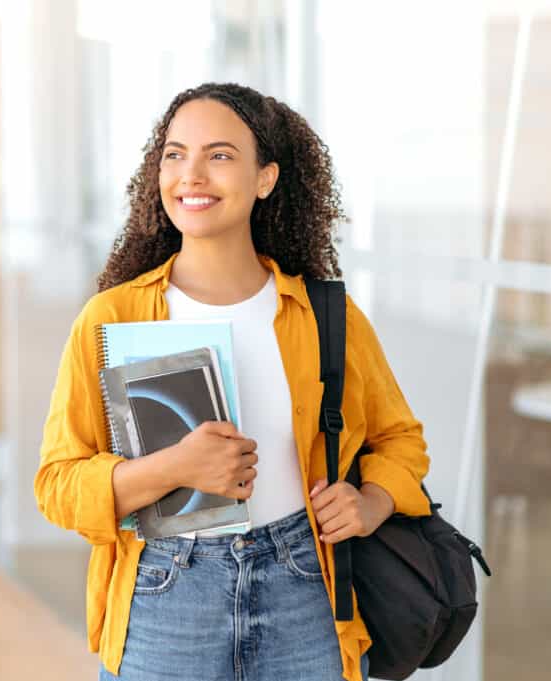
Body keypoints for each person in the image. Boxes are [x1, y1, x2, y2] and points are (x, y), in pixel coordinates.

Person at [35, 82, 432, 681]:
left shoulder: (326, 316)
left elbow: (401, 440)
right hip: (167, 595)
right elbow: (57, 483)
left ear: (265, 178)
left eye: (218, 156)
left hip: (306, 591)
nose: (191, 175)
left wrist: (370, 502)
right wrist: (176, 468)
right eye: (175, 155)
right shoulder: (112, 318)